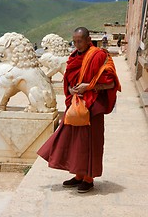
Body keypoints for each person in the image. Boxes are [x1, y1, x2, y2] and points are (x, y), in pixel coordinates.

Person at [37, 27, 121, 193]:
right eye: (74, 41)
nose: (76, 45)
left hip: (92, 108)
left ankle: (89, 179)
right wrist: (72, 90)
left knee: (91, 142)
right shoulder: (74, 56)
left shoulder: (99, 56)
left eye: (80, 41)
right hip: (76, 105)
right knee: (75, 141)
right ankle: (78, 175)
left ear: (88, 39)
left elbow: (112, 83)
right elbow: (68, 79)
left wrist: (89, 87)